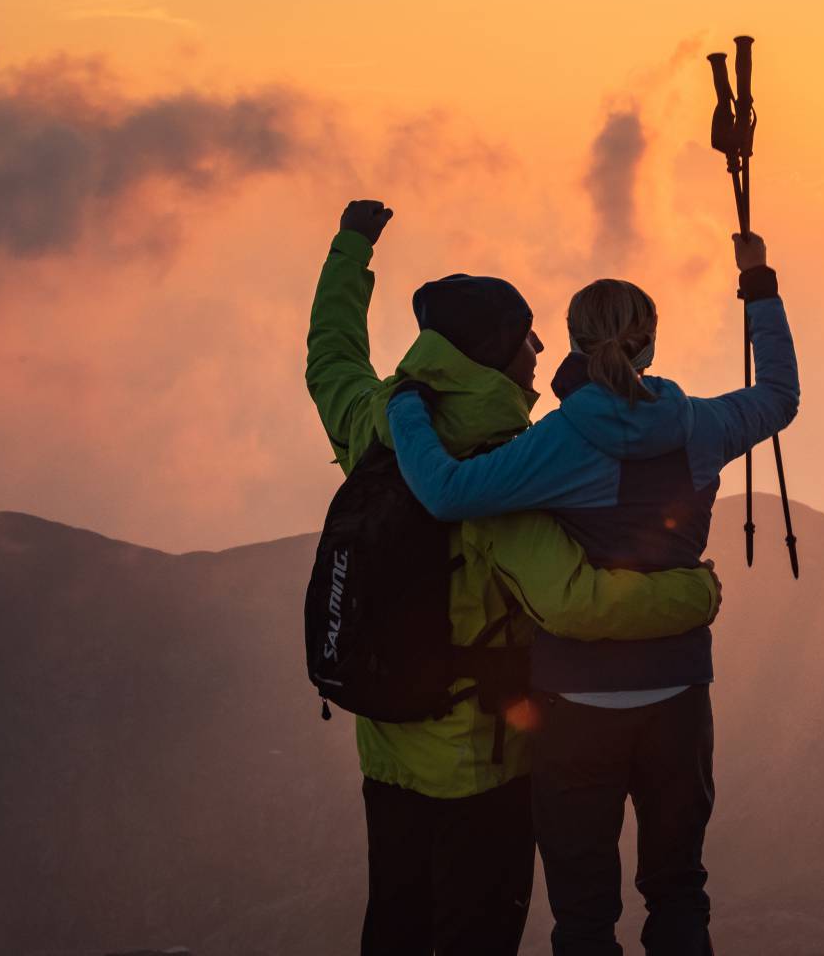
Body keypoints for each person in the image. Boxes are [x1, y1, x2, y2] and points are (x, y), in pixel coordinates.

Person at [305, 199, 722, 956]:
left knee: (395, 925)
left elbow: (330, 360)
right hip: (481, 766)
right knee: (476, 934)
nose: (538, 353)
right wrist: (696, 594)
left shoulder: (378, 418)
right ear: (497, 355)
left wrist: (350, 249)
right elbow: (578, 603)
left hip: (387, 743)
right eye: (526, 339)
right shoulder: (499, 467)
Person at [384, 231, 797, 956]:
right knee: (677, 892)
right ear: (650, 344)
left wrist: (408, 408)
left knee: (583, 919)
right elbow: (780, 397)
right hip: (678, 695)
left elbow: (446, 494)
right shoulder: (703, 424)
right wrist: (758, 283)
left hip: (575, 706)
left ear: (575, 345)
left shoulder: (560, 441)